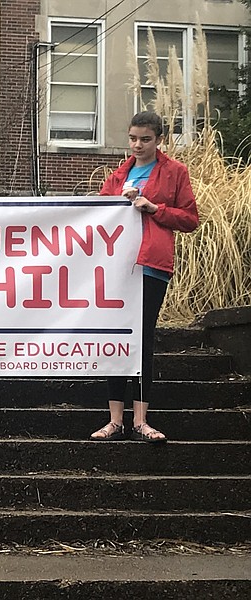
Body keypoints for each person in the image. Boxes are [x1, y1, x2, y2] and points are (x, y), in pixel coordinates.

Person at [90, 110, 199, 443]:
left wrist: (155, 209)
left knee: (142, 338)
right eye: (133, 138)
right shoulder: (118, 175)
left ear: (160, 139)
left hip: (151, 264)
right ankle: (114, 420)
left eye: (145, 139)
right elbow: (96, 214)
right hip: (116, 266)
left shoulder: (175, 172)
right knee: (115, 337)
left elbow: (190, 219)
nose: (137, 145)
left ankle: (140, 420)